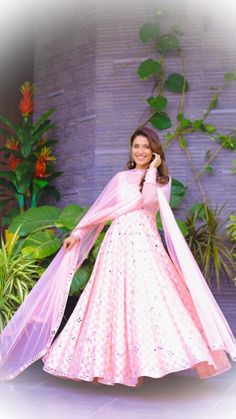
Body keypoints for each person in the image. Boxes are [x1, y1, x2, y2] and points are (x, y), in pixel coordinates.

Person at [0, 126, 235, 387]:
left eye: (146, 147)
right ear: (131, 150)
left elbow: (147, 202)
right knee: (111, 304)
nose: (141, 151)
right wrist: (77, 233)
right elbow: (99, 210)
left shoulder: (161, 182)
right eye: (136, 146)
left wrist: (153, 170)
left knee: (149, 303)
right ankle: (105, 368)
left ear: (155, 150)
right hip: (117, 246)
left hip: (146, 248)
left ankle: (141, 367)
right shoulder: (120, 179)